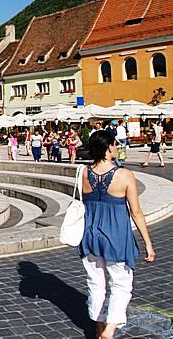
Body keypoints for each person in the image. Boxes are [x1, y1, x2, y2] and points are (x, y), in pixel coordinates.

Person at [79, 130, 155, 338]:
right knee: (121, 283)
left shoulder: (83, 173)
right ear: (109, 147)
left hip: (91, 234)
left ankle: (99, 327)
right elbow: (136, 212)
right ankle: (110, 330)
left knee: (96, 283)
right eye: (115, 143)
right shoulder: (125, 175)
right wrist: (147, 243)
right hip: (116, 236)